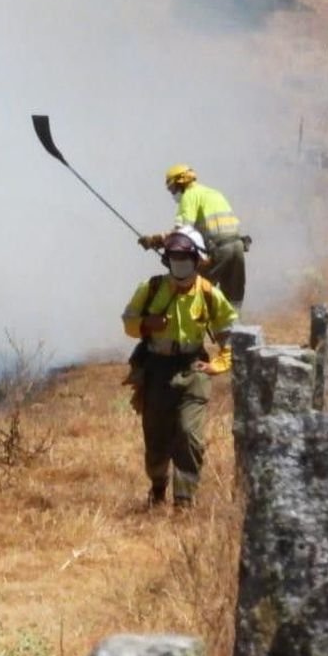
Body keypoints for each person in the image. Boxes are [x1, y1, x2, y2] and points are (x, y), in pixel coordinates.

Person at [121, 226, 237, 508]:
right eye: (174, 257)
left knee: (188, 434)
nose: (179, 263)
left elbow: (229, 332)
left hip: (192, 368)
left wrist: (219, 364)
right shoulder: (151, 288)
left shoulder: (209, 294)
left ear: (197, 260)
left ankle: (185, 502)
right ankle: (158, 488)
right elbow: (128, 321)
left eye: (185, 257)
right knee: (156, 438)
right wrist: (148, 324)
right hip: (156, 369)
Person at [138, 164, 247, 311]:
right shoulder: (213, 193)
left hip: (219, 251)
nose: (172, 193)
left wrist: (154, 240)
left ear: (180, 182)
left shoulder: (189, 196)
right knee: (233, 294)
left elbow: (182, 232)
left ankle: (194, 330)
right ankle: (233, 328)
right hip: (238, 246)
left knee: (194, 290)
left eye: (172, 188)